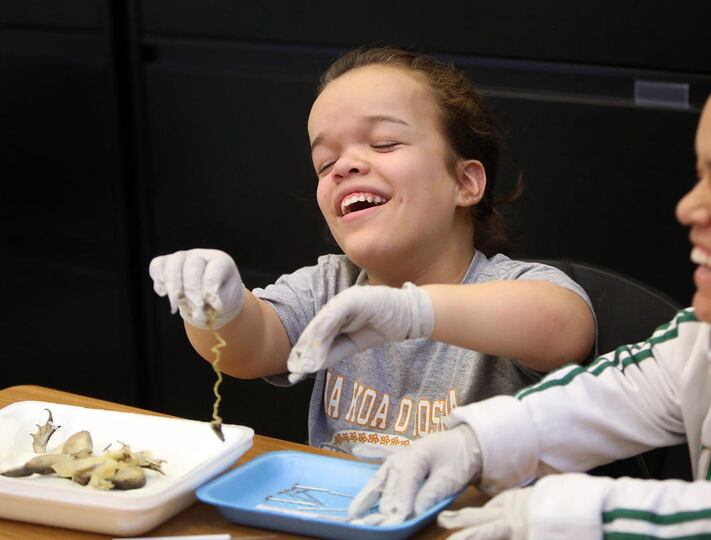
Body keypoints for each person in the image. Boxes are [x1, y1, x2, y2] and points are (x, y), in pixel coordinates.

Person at [347, 5, 711, 538]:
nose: (689, 208)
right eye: (699, 179)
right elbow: (610, 394)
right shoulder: (707, 338)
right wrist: (473, 443)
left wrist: (554, 514)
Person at [148, 47, 596, 455]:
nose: (344, 166)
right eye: (325, 163)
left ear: (465, 182)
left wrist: (413, 311)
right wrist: (217, 308)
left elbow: (563, 327)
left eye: (384, 143)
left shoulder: (511, 287)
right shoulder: (331, 285)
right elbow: (248, 349)